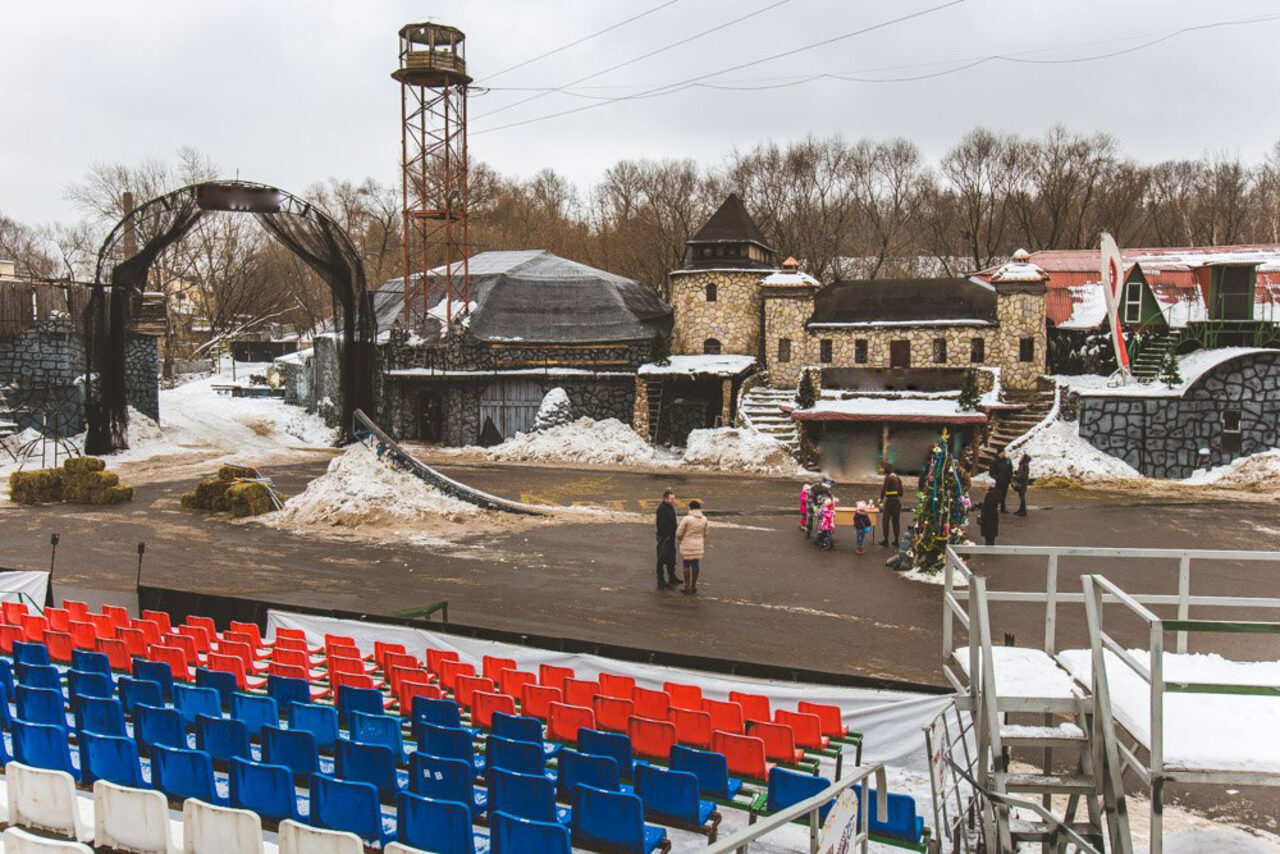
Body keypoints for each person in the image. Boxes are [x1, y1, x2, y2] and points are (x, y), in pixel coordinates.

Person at [676, 499, 709, 594]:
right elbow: (706, 533)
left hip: (687, 544)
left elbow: (679, 532)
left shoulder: (687, 519)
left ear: (690, 508)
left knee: (686, 564)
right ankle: (693, 586)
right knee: (695, 564)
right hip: (698, 545)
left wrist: (681, 539)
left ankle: (687, 586)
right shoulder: (704, 519)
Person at [654, 489, 679, 589]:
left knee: (671, 557)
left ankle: (672, 576)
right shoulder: (662, 509)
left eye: (673, 499)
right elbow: (660, 524)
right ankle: (660, 579)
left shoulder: (669, 507)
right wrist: (665, 535)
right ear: (665, 498)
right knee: (662, 558)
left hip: (671, 536)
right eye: (671, 498)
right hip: (665, 538)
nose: (673, 500)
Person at [878, 464, 903, 547]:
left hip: (889, 502)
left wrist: (881, 498)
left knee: (885, 520)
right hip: (897, 502)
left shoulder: (888, 478)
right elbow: (901, 492)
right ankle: (896, 540)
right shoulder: (898, 478)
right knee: (896, 521)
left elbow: (884, 489)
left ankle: (886, 540)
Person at [978, 476, 1001, 546]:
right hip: (993, 516)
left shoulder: (991, 494)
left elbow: (988, 505)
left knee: (988, 533)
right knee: (991, 534)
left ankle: (988, 546)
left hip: (989, 516)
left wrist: (981, 507)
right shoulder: (995, 493)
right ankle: (990, 544)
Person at [990, 448, 1014, 513]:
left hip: (1005, 481)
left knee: (1004, 495)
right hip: (998, 482)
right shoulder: (995, 461)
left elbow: (1010, 469)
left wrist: (1010, 477)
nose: (1004, 453)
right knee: (997, 495)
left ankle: (1003, 508)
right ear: (999, 453)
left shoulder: (1007, 461)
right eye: (1003, 452)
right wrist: (996, 478)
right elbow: (991, 472)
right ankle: (994, 508)